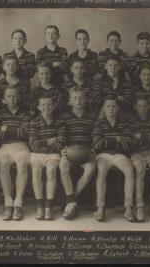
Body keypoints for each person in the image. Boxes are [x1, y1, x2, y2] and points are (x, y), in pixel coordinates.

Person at [92, 95, 135, 222]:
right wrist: (115, 139)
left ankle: (128, 207)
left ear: (118, 108)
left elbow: (127, 144)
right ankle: (100, 207)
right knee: (101, 171)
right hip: (103, 156)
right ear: (104, 108)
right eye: (108, 106)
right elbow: (97, 144)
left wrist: (106, 141)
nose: (111, 109)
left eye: (114, 106)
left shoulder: (124, 123)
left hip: (119, 155)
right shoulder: (99, 124)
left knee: (129, 170)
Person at [0, 87, 31, 221]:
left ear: (19, 98)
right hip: (5, 147)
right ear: (4, 99)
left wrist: (6, 129)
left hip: (21, 146)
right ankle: (8, 202)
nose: (12, 98)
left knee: (22, 162)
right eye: (9, 96)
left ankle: (18, 203)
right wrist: (17, 130)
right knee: (3, 163)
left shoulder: (25, 114)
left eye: (14, 96)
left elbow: (27, 132)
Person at [59, 87, 96, 219]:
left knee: (90, 168)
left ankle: (70, 201)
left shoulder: (92, 117)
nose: (78, 101)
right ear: (70, 101)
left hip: (85, 151)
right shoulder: (65, 116)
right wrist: (62, 148)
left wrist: (93, 149)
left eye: (81, 98)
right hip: (70, 151)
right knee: (63, 166)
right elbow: (61, 135)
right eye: (75, 98)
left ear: (85, 100)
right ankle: (72, 202)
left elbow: (95, 136)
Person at [29, 95, 66, 220]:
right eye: (43, 105)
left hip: (53, 155)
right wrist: (50, 141)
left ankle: (48, 206)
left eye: (49, 104)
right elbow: (33, 145)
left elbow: (60, 143)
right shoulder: (34, 122)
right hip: (37, 155)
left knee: (51, 171)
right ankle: (40, 206)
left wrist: (43, 144)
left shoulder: (60, 122)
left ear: (54, 106)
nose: (46, 107)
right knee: (36, 171)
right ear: (39, 107)